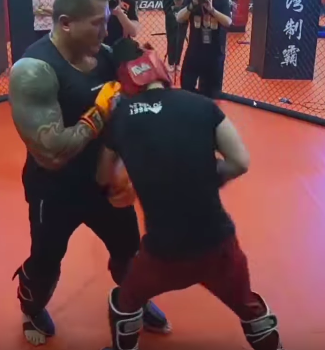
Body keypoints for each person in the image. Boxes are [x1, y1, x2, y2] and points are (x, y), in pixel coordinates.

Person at [8, 0, 169, 346]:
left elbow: (144, 109)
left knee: (131, 255)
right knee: (45, 264)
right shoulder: (34, 70)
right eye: (97, 23)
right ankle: (31, 307)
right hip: (55, 190)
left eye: (106, 20)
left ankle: (134, 300)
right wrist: (99, 113)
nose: (105, 30)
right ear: (66, 23)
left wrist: (151, 79)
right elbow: (52, 153)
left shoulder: (107, 55)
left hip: (103, 181)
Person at [97, 39, 284, 350]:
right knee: (249, 307)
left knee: (125, 302)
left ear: (124, 80)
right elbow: (240, 162)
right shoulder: (202, 105)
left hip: (163, 252)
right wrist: (200, 176)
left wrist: (138, 168)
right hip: (218, 244)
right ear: (158, 68)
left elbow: (104, 177)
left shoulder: (121, 117)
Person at [177, 0, 232, 98]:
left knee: (211, 93)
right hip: (195, 51)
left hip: (214, 53)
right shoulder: (192, 0)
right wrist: (191, 6)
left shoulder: (220, 1)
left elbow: (228, 22)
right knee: (186, 87)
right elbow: (179, 18)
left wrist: (212, 10)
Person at [162, 0, 188, 73]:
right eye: (176, 1)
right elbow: (166, 11)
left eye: (180, 1)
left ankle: (177, 63)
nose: (178, 3)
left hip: (183, 23)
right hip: (170, 22)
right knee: (171, 41)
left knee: (180, 41)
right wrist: (174, 17)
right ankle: (170, 63)